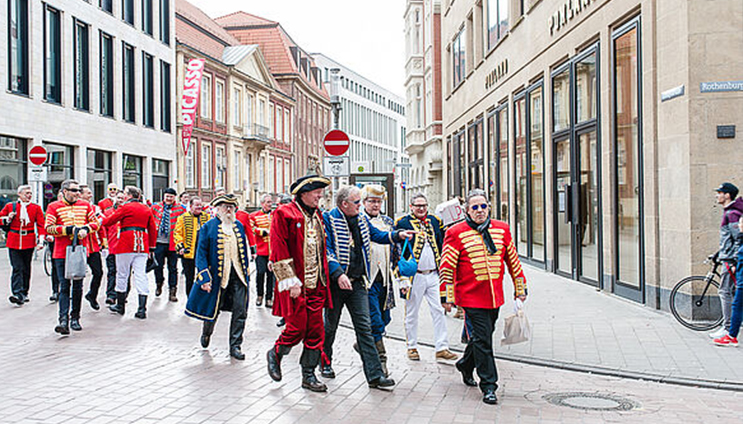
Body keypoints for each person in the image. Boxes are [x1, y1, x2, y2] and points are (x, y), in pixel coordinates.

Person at [440, 189, 528, 405]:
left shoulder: (502, 229)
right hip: (470, 298)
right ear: (467, 211)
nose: (480, 211)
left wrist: (520, 288)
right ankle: (489, 385)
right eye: (475, 207)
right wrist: (447, 296)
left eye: (483, 206)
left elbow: (513, 260)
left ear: (489, 207)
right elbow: (447, 266)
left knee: (482, 336)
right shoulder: (455, 232)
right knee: (484, 340)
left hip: (494, 297)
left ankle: (465, 364)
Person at [321, 186, 411, 389]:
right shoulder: (329, 218)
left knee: (365, 328)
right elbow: (326, 251)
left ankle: (375, 375)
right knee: (330, 326)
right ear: (344, 204)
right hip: (337, 283)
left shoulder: (361, 220)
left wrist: (398, 235)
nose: (360, 206)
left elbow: (377, 235)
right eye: (357, 202)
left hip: (359, 282)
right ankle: (325, 362)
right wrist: (338, 273)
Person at [266, 173, 332, 392]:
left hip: (317, 284)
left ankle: (308, 375)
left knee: (316, 330)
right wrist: (290, 281)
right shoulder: (284, 213)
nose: (319, 197)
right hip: (295, 284)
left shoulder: (318, 215)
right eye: (316, 193)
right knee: (296, 328)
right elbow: (278, 248)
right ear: (304, 193)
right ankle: (276, 353)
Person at [393, 193, 458, 362]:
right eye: (418, 205)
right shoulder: (402, 223)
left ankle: (442, 347)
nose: (421, 208)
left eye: (424, 205)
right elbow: (395, 252)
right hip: (414, 277)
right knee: (412, 313)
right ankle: (412, 346)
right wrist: (401, 278)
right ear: (411, 206)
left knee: (439, 310)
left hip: (434, 275)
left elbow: (445, 242)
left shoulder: (435, 221)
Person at [185, 194, 250, 360]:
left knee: (240, 310)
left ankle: (235, 346)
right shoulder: (208, 227)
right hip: (217, 276)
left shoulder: (239, 226)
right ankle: (207, 332)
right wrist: (204, 277)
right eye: (224, 206)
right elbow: (200, 254)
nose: (228, 209)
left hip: (238, 276)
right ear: (218, 208)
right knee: (213, 310)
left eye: (231, 207)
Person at [45, 179, 100, 334]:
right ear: (64, 192)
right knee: (64, 286)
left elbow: (96, 223)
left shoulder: (85, 206)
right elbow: (48, 227)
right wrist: (68, 230)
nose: (77, 193)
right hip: (62, 252)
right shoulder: (53, 206)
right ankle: (63, 320)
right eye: (74, 190)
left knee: (77, 286)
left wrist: (86, 229)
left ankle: (75, 316)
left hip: (79, 251)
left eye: (78, 191)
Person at [102, 186, 157, 319]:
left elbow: (109, 221)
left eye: (125, 194)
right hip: (142, 244)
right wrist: (151, 247)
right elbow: (153, 229)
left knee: (122, 275)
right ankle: (142, 309)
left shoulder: (125, 208)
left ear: (130, 195)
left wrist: (100, 217)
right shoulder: (146, 208)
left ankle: (120, 306)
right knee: (140, 275)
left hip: (126, 244)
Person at [359, 185, 397, 376]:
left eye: (378, 201)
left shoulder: (388, 221)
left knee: (385, 318)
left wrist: (402, 276)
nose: (375, 205)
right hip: (368, 279)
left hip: (385, 279)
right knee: (375, 322)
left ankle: (363, 343)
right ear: (364, 202)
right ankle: (380, 360)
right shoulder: (359, 221)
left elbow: (395, 249)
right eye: (371, 201)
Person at [0, 185, 46, 305]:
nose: (29, 195)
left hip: (29, 240)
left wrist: (41, 240)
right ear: (19, 194)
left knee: (26, 268)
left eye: (30, 193)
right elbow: (1, 218)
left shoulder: (35, 208)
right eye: (26, 193)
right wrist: (7, 218)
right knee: (17, 267)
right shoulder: (10, 206)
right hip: (14, 240)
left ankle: (24, 292)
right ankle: (17, 293)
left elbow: (41, 225)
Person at [709, 183, 743, 339]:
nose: (717, 195)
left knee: (724, 291)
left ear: (727, 195)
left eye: (720, 192)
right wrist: (718, 254)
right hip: (727, 257)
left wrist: (734, 261)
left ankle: (727, 327)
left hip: (730, 261)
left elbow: (738, 238)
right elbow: (729, 240)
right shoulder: (729, 212)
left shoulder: (732, 214)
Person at [151, 188, 186, 301]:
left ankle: (172, 290)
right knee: (158, 266)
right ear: (164, 196)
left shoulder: (180, 209)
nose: (169, 199)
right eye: (167, 196)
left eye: (171, 197)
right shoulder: (156, 207)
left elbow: (184, 226)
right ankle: (159, 283)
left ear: (174, 197)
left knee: (173, 268)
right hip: (159, 242)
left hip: (173, 243)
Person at [174, 196, 210, 296]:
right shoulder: (182, 218)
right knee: (189, 278)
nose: (199, 207)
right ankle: (190, 298)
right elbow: (177, 233)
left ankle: (201, 298)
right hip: (188, 253)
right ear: (191, 206)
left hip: (203, 254)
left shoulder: (207, 217)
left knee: (203, 276)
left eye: (200, 205)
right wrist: (180, 246)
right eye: (196, 205)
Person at [80, 185, 105, 310]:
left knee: (98, 272)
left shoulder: (95, 208)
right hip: (79, 246)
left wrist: (103, 241)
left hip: (93, 245)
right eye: (88, 193)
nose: (90, 195)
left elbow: (100, 226)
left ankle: (92, 295)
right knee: (76, 275)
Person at [249, 194, 275, 307]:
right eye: (268, 202)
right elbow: (251, 229)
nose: (270, 204)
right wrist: (262, 231)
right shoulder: (254, 215)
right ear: (262, 204)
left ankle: (269, 298)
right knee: (260, 273)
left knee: (271, 275)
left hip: (273, 250)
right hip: (261, 250)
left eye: (271, 202)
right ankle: (260, 295)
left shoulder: (275, 215)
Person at [102, 190, 126, 304]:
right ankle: (111, 295)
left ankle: (123, 294)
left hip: (125, 248)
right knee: (112, 271)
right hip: (112, 247)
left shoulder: (128, 213)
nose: (120, 200)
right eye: (119, 198)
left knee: (124, 272)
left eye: (123, 198)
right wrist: (105, 246)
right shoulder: (108, 212)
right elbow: (103, 229)